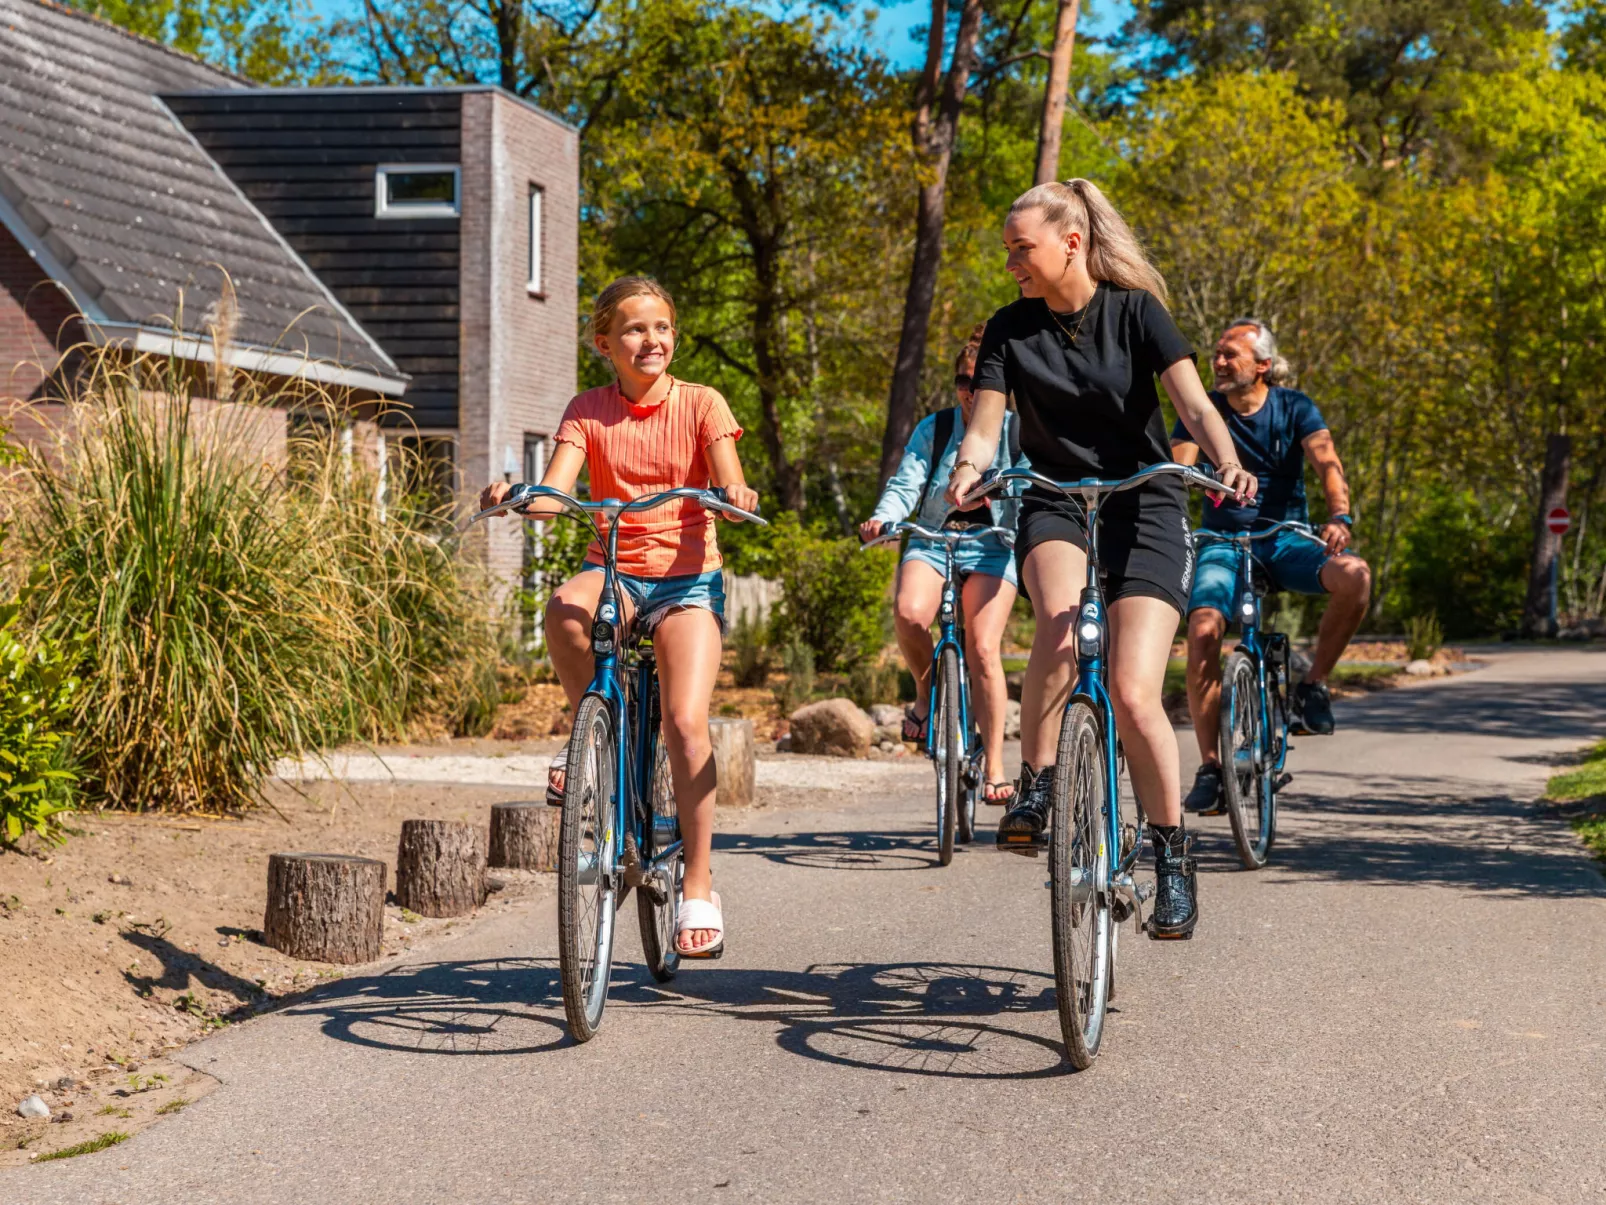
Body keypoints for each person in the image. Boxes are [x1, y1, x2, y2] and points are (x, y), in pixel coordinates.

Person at [946, 179, 1257, 940]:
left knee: (1132, 687)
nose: (1012, 262)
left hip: (1145, 500)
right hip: (1055, 497)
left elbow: (1193, 405)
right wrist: (968, 470)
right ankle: (1039, 782)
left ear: (1072, 242)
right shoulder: (1008, 330)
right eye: (1008, 250)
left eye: (1023, 248)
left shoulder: (1137, 312)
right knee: (1059, 627)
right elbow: (985, 428)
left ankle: (1172, 853)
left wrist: (1225, 461)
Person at [479, 276, 759, 959]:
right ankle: (591, 730)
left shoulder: (702, 403)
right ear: (604, 343)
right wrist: (519, 495)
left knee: (685, 722)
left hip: (687, 579)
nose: (650, 340)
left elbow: (728, 476)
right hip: (615, 569)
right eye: (634, 329)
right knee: (566, 611)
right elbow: (556, 495)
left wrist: (733, 493)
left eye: (661, 328)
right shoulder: (588, 410)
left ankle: (699, 883)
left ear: (674, 336)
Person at [1169, 318, 1372, 814]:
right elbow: (1177, 463)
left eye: (1229, 355)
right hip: (1221, 541)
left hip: (1286, 538)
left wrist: (1339, 516)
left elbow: (1327, 463)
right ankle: (1211, 767)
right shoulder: (1204, 408)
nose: (1218, 362)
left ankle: (1313, 686)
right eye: (1216, 354)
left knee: (1356, 577)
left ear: (1262, 365)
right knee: (1202, 629)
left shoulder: (1294, 407)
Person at [861, 326, 1026, 805]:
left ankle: (994, 766)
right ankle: (927, 694)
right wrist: (884, 518)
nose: (971, 391)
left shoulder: (1017, 431)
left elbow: (1030, 489)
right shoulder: (934, 430)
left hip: (994, 545)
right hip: (935, 540)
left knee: (984, 648)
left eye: (981, 382)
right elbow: (906, 482)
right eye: (963, 381)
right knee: (910, 613)